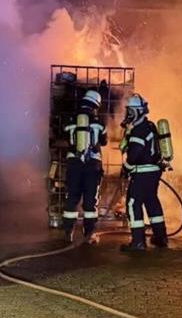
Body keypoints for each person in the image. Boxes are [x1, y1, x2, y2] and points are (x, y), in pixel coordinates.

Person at [119, 93, 168, 252]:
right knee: (152, 201)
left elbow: (134, 155)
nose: (128, 114)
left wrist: (126, 167)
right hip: (153, 172)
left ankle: (138, 242)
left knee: (133, 204)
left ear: (136, 112)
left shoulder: (139, 131)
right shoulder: (150, 126)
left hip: (142, 173)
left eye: (130, 111)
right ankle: (161, 237)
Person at [62, 89, 107, 244]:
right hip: (91, 166)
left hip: (74, 164)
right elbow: (104, 141)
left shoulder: (71, 119)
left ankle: (68, 233)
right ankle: (89, 235)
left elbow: (64, 137)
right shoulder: (98, 121)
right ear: (96, 105)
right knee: (90, 201)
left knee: (72, 199)